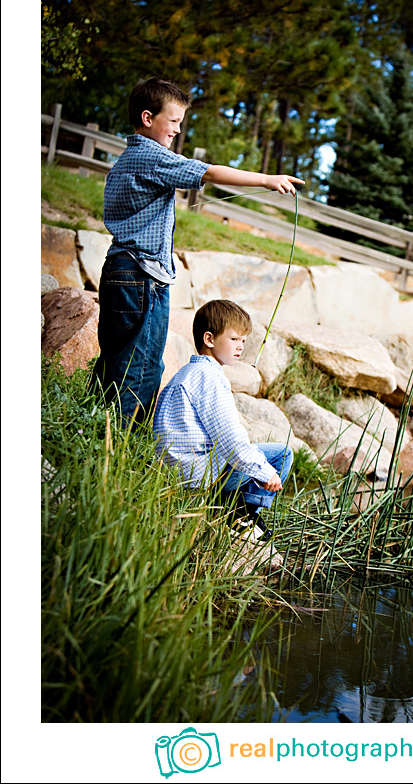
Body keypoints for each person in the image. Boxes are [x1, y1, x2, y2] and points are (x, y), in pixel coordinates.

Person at [91, 77, 303, 425]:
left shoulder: (128, 159)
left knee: (115, 359)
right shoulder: (152, 157)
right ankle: (120, 445)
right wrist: (266, 180)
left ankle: (94, 425)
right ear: (148, 118)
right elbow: (208, 171)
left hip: (118, 269)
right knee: (141, 367)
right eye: (173, 121)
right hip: (143, 276)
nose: (177, 130)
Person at [153, 299, 293, 547]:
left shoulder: (186, 373)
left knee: (256, 456)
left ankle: (234, 511)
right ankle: (240, 517)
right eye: (234, 339)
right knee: (281, 455)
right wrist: (265, 472)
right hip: (198, 478)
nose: (240, 347)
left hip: (176, 472)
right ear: (209, 339)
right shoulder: (210, 378)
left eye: (243, 341)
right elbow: (230, 441)